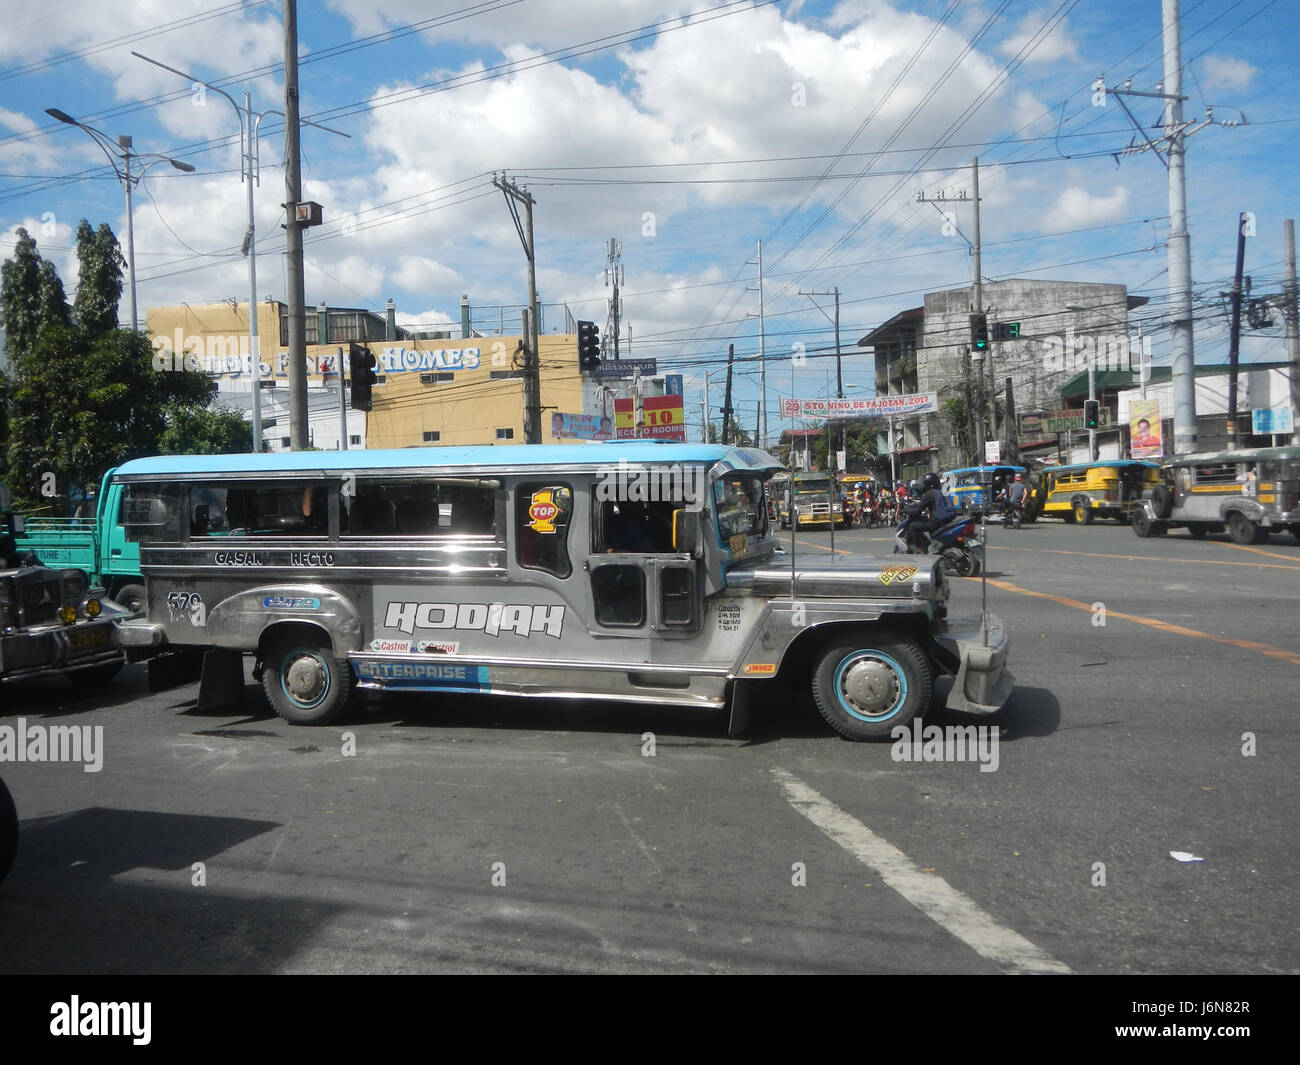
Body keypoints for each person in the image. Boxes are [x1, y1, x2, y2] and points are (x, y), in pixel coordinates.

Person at [905, 472, 954, 553]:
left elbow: (917, 511)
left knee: (912, 526)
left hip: (937, 522)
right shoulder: (942, 491)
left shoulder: (930, 494)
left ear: (929, 484)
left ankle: (918, 549)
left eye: (924, 483)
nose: (923, 485)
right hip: (947, 520)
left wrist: (906, 510)